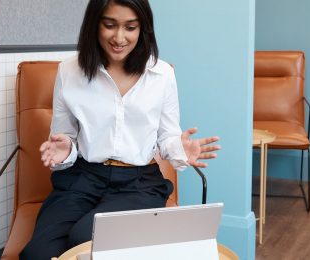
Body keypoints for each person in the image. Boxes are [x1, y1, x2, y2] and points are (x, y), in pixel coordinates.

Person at [19, 0, 220, 259]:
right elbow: (64, 138)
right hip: (82, 178)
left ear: (143, 29)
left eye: (130, 27)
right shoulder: (69, 71)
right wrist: (66, 149)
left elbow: (167, 137)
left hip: (138, 183)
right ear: (95, 24)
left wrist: (179, 148)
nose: (119, 37)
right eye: (110, 25)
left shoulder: (162, 74)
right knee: (36, 253)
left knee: (84, 238)